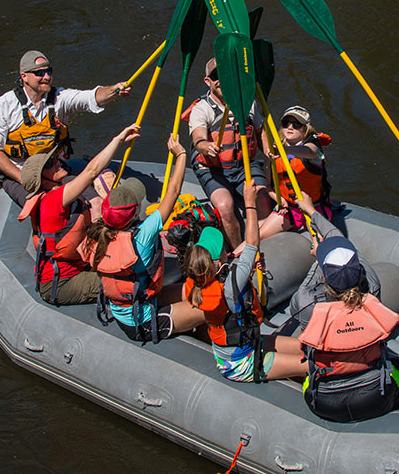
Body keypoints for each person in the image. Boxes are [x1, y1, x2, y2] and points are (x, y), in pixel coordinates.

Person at [298, 235, 399, 422]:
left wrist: (318, 258)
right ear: (359, 274)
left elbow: (308, 285)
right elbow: (362, 265)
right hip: (374, 395)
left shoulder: (305, 303)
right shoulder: (373, 290)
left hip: (322, 401)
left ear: (325, 280)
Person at [84, 134, 205, 343]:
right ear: (135, 212)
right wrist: (181, 153)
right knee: (212, 304)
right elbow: (173, 190)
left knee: (197, 291)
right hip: (144, 321)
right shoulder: (145, 233)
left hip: (136, 303)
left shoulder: (98, 232)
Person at [183, 182, 307, 383]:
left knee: (303, 346)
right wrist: (250, 203)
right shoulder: (232, 283)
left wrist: (248, 270)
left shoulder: (197, 280)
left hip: (241, 348)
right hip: (242, 365)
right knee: (310, 365)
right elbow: (252, 243)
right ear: (221, 260)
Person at [0, 50, 131, 207]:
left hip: (55, 172)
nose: (47, 77)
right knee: (45, 209)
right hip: (19, 175)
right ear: (24, 76)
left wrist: (114, 90)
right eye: (39, 73)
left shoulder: (60, 98)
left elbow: (91, 97)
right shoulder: (4, 106)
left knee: (95, 204)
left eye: (49, 71)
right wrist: (25, 179)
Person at [17, 123, 140, 305]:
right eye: (50, 164)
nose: (58, 162)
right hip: (62, 283)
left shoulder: (51, 197)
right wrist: (118, 139)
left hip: (77, 266)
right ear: (42, 180)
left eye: (54, 159)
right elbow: (91, 171)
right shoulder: (51, 202)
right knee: (133, 283)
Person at [188, 57, 272, 249]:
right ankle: (238, 252)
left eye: (226, 75)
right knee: (225, 207)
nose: (221, 81)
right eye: (216, 76)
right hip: (213, 169)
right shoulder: (202, 109)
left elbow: (259, 131)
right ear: (207, 81)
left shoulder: (247, 101)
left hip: (244, 165)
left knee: (263, 199)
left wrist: (268, 151)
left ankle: (262, 247)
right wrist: (206, 146)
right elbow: (198, 138)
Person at [234, 105, 333, 254]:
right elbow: (268, 186)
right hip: (290, 209)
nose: (290, 127)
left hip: (313, 209)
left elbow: (310, 152)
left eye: (296, 124)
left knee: (319, 245)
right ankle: (230, 261)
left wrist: (283, 150)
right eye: (286, 123)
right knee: (258, 235)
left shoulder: (312, 149)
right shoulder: (274, 155)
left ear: (305, 129)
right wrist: (280, 200)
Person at [287, 194, 380, 329]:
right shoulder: (372, 284)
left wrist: (317, 262)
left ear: (324, 279)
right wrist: (311, 211)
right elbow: (337, 237)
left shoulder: (306, 301)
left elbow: (295, 311)